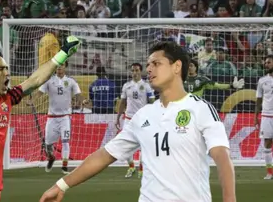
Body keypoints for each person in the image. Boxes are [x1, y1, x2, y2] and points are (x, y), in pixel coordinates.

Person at [40, 41, 236, 202]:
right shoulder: (143, 115)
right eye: (148, 65)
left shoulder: (201, 109)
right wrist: (61, 185)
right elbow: (104, 155)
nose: (148, 69)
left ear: (177, 66)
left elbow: (222, 157)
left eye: (156, 64)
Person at [0, 30, 80, 202]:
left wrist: (62, 53)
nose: (7, 73)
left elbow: (35, 80)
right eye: (1, 69)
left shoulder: (7, 99)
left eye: (7, 69)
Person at [28, 62, 86, 174]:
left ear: (65, 67)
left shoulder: (71, 81)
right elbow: (40, 92)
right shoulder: (49, 80)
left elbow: (78, 94)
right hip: (52, 118)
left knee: (65, 141)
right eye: (58, 65)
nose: (60, 67)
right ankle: (51, 157)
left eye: (62, 65)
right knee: (48, 144)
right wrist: (32, 100)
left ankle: (64, 166)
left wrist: (83, 101)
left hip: (65, 117)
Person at [115, 63, 155, 178]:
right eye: (132, 70)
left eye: (137, 70)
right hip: (128, 119)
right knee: (126, 145)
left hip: (143, 119)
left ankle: (141, 169)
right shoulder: (126, 86)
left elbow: (152, 102)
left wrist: (152, 116)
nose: (134, 72)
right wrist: (118, 118)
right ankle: (131, 167)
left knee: (144, 145)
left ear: (141, 72)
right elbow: (122, 103)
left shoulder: (147, 86)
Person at [254, 54, 273, 180]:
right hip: (267, 115)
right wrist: (256, 117)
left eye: (269, 62)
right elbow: (258, 100)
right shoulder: (262, 80)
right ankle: (270, 173)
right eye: (265, 62)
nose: (266, 64)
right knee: (267, 143)